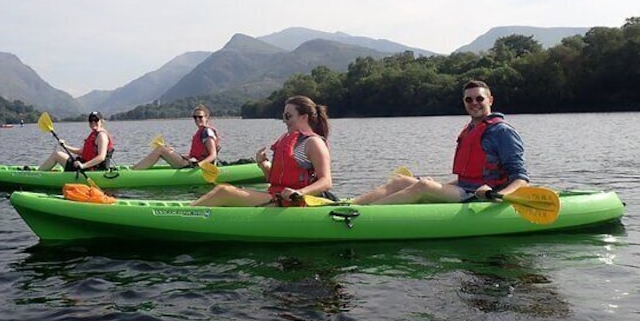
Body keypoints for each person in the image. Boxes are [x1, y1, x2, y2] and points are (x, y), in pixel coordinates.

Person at [352, 80, 528, 204]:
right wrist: (441, 185)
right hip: (463, 190)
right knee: (401, 181)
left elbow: (520, 178)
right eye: (469, 99)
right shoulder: (470, 130)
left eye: (479, 98)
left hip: (480, 196)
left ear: (490, 100)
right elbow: (467, 178)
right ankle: (349, 205)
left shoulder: (503, 132)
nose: (474, 103)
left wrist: (495, 195)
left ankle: (361, 217)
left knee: (423, 186)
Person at [192, 95, 333, 207]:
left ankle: (184, 214)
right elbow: (275, 180)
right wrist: (263, 165)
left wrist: (299, 193)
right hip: (277, 198)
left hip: (295, 203)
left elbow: (326, 181)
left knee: (224, 191)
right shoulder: (288, 139)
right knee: (224, 190)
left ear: (304, 117)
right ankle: (189, 210)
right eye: (283, 116)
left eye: (288, 116)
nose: (284, 121)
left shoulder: (313, 142)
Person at [131, 105, 220, 169]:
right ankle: (136, 168)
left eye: (200, 117)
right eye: (195, 117)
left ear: (207, 117)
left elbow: (213, 155)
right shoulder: (201, 131)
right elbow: (195, 155)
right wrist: (177, 154)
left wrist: (200, 165)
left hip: (196, 166)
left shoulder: (207, 132)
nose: (197, 119)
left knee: (161, 149)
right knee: (165, 148)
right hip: (190, 162)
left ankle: (134, 171)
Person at [36, 111, 115, 172]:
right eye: (91, 121)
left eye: (96, 120)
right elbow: (81, 152)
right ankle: (40, 171)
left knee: (56, 154)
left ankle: (37, 175)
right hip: (86, 165)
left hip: (90, 169)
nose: (93, 122)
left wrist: (83, 165)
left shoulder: (101, 136)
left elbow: (101, 157)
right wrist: (65, 146)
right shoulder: (94, 134)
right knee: (58, 153)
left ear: (101, 121)